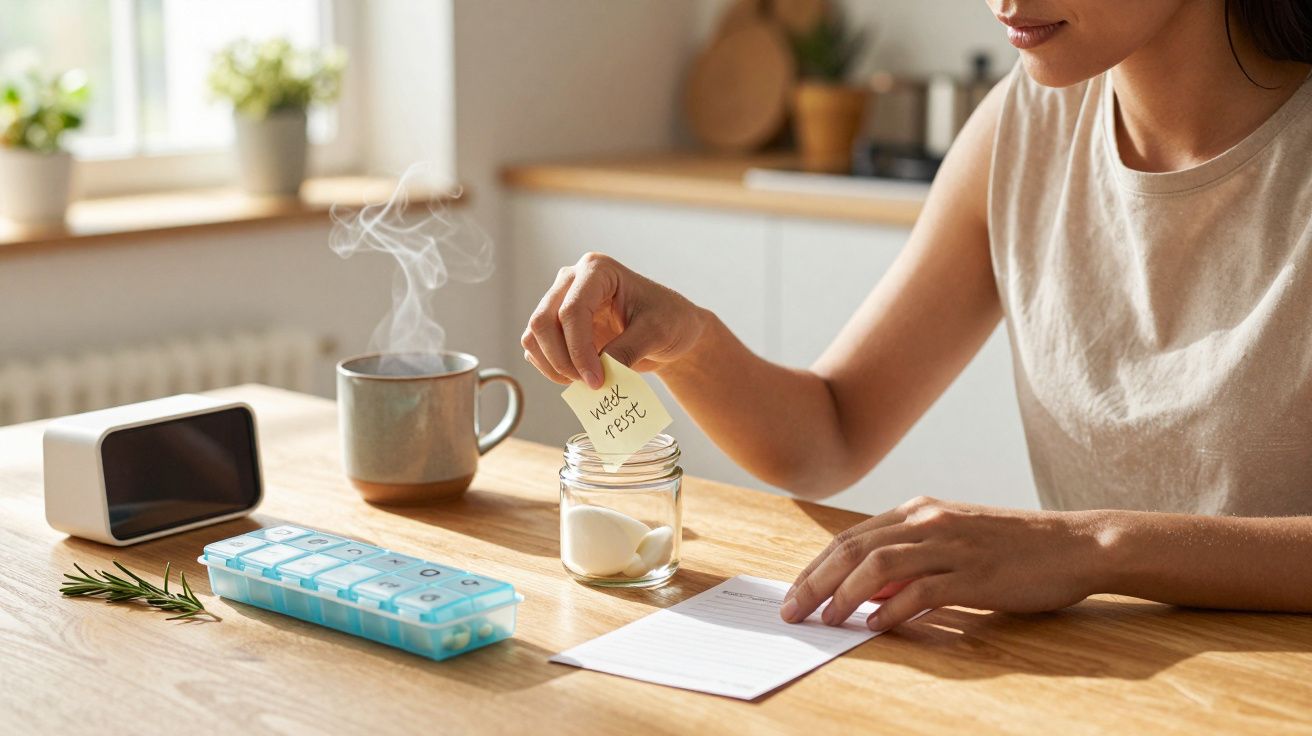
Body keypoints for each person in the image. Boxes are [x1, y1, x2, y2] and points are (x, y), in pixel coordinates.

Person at [521, 0, 1312, 632]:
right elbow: (828, 434)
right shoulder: (1024, 124)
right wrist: (691, 341)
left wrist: (1092, 546)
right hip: (1105, 673)